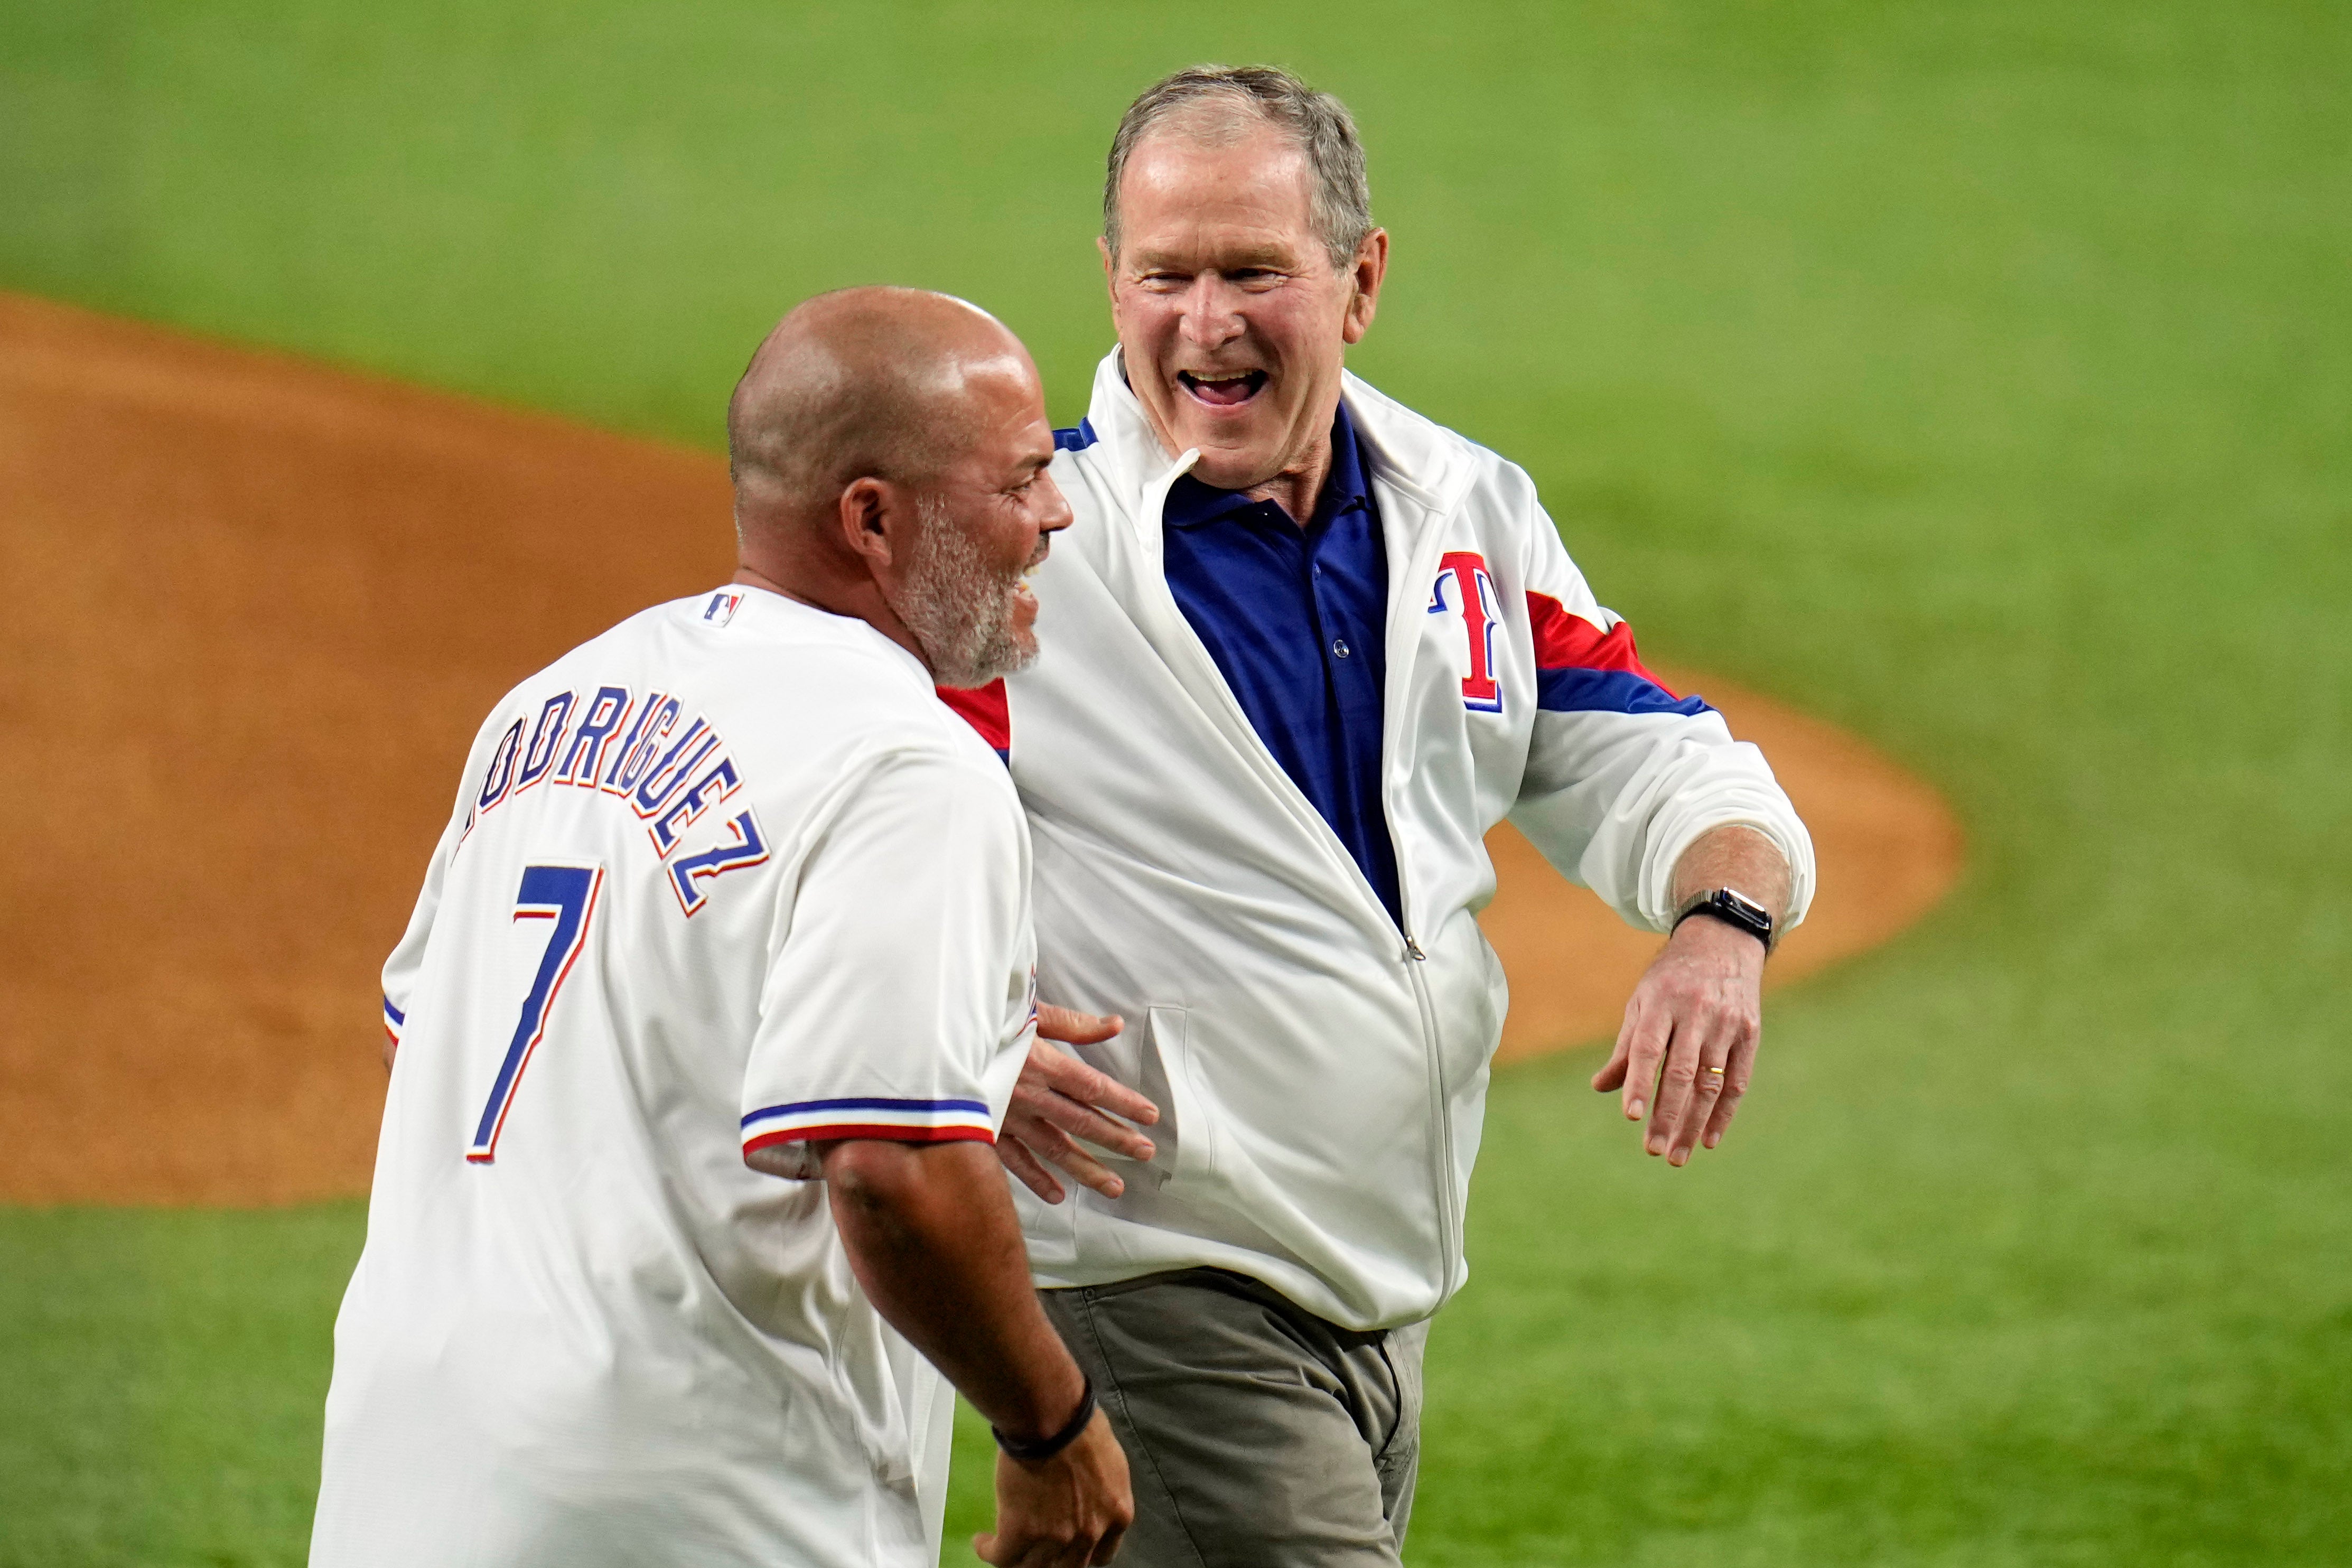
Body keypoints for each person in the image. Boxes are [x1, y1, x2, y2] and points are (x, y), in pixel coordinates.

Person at [942, 67, 1818, 1565]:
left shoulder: (1463, 510)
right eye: (1164, 276)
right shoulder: (1027, 550)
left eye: (1251, 273)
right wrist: (949, 1031)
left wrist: (1720, 924)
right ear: (1109, 280)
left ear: (1359, 281)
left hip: (1377, 1283)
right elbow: (825, 834)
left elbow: (1644, 752)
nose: (1203, 323)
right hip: (1151, 1276)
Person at [310, 287, 1131, 1568]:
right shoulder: (910, 763)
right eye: (1022, 480)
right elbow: (888, 1165)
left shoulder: (550, 702)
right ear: (873, 518)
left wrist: (950, 1045)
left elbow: (430, 1048)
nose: (1058, 513)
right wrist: (1052, 1425)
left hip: (406, 1463)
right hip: (700, 1491)